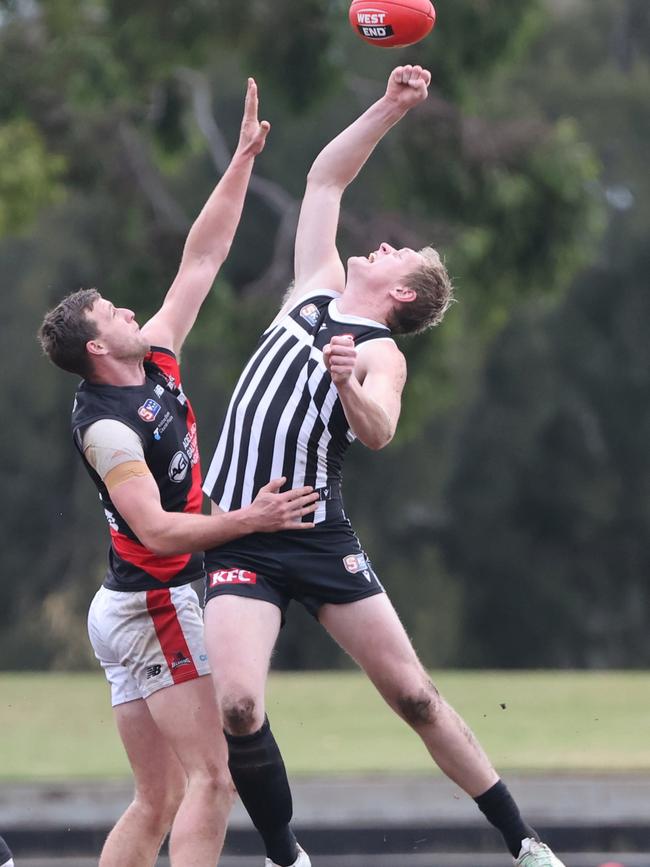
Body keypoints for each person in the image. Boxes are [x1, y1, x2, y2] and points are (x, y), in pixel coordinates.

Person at [200, 65, 566, 867]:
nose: (384, 242)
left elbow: (379, 432)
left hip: (315, 533)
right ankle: (286, 856)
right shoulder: (312, 288)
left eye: (400, 252)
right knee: (236, 703)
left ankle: (525, 842)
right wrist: (392, 107)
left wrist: (347, 384)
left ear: (401, 293)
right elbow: (325, 175)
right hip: (238, 532)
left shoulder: (379, 352)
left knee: (412, 693)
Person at [38, 79, 318, 867]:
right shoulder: (107, 428)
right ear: (99, 348)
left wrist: (239, 162)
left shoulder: (154, 353)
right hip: (151, 600)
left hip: (125, 602)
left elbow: (204, 253)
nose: (132, 312)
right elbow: (157, 528)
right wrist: (252, 518)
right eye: (114, 315)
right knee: (215, 777)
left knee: (157, 798)